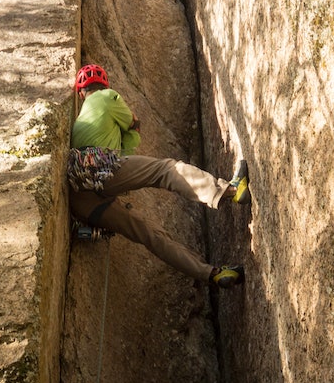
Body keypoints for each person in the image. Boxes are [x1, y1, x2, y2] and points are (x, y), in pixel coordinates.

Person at [67, 63, 249, 287]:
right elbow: (132, 123)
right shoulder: (106, 96)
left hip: (81, 201)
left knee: (149, 234)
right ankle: (231, 190)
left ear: (81, 92)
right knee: (165, 170)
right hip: (100, 171)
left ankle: (214, 274)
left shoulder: (78, 124)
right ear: (103, 84)